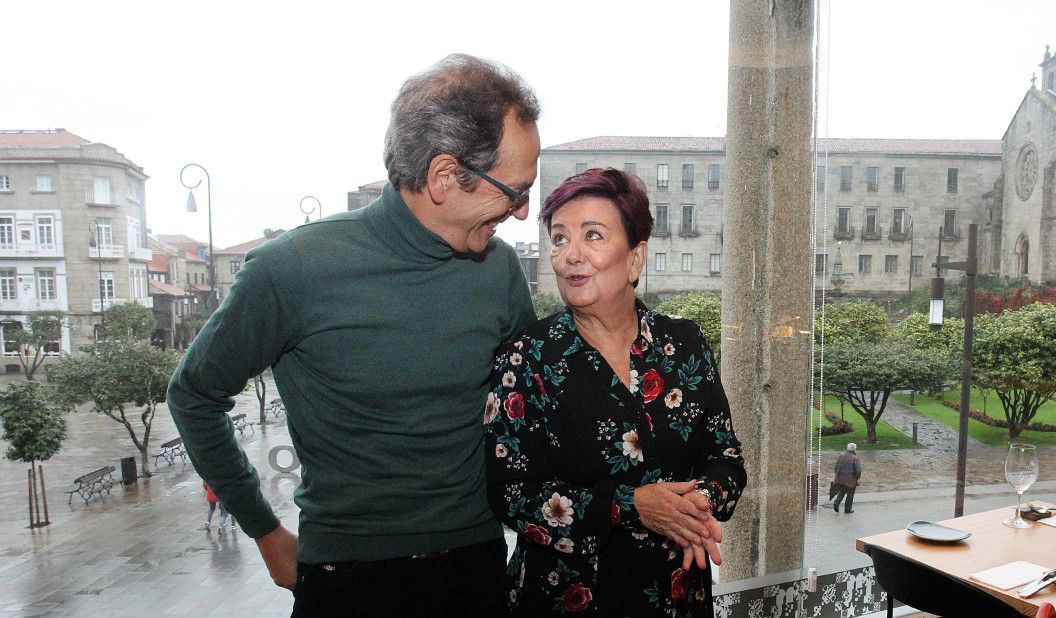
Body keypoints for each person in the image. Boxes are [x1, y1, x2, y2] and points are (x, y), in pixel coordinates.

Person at [166, 53, 541, 617]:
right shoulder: (290, 270)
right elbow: (194, 396)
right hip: (346, 583)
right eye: (513, 191)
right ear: (444, 177)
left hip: (476, 570)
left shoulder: (500, 272)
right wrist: (265, 531)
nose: (521, 212)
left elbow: (534, 411)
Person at [485, 168, 746, 615]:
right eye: (560, 239)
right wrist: (626, 506)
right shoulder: (525, 359)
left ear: (635, 259)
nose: (571, 256)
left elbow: (726, 456)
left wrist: (699, 504)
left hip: (676, 594)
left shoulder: (684, 345)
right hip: (566, 596)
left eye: (592, 235)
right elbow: (509, 494)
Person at [832, 443, 862, 514]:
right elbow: (858, 470)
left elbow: (836, 467)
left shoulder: (841, 456)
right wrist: (857, 478)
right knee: (850, 494)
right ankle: (847, 509)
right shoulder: (855, 458)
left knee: (842, 491)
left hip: (841, 479)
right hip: (851, 479)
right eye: (856, 448)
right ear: (854, 449)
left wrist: (838, 475)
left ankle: (836, 502)